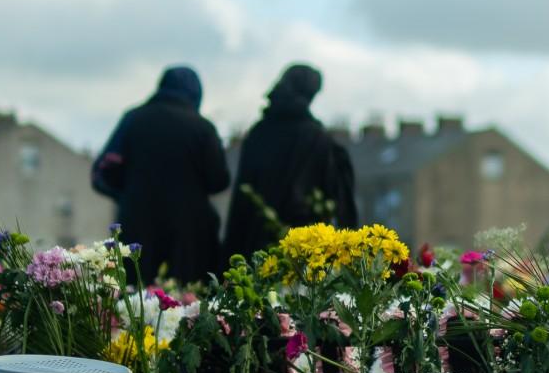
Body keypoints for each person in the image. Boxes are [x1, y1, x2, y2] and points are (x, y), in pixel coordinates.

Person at [92, 66, 231, 285]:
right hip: (189, 240)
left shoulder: (133, 119)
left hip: (137, 231)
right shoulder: (202, 128)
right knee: (185, 305)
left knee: (133, 304)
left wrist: (127, 194)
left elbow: (102, 173)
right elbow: (219, 180)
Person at [222, 63, 358, 260]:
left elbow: (241, 204)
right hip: (303, 255)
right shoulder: (319, 140)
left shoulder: (258, 134)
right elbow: (339, 204)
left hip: (253, 249)